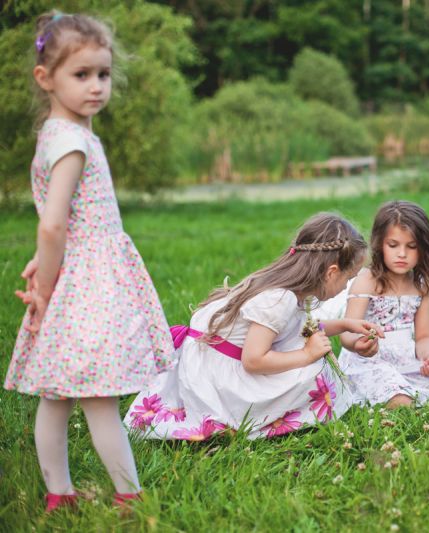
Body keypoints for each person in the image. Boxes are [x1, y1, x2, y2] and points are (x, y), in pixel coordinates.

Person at [4, 12, 174, 511]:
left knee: (56, 395)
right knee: (99, 399)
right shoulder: (74, 143)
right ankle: (130, 496)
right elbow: (53, 224)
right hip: (85, 283)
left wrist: (41, 265)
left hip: (78, 276)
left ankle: (61, 494)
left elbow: (57, 222)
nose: (97, 87)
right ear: (46, 78)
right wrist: (47, 285)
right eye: (81, 76)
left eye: (103, 74)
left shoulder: (58, 132)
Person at [125, 213, 384, 440]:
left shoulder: (291, 289)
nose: (345, 287)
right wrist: (307, 354)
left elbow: (298, 329)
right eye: (348, 279)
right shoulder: (279, 299)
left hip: (213, 362)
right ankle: (261, 418)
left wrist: (345, 324)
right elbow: (253, 360)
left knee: (309, 354)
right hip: (215, 381)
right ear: (331, 272)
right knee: (314, 368)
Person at [338, 200, 429, 408]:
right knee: (400, 399)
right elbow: (346, 332)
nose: (402, 254)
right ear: (380, 244)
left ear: (424, 248)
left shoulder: (421, 285)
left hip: (406, 361)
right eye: (393, 245)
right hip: (368, 362)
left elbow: (424, 337)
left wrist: (428, 358)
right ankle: (400, 397)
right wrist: (357, 344)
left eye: (411, 246)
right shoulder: (367, 280)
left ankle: (411, 391)